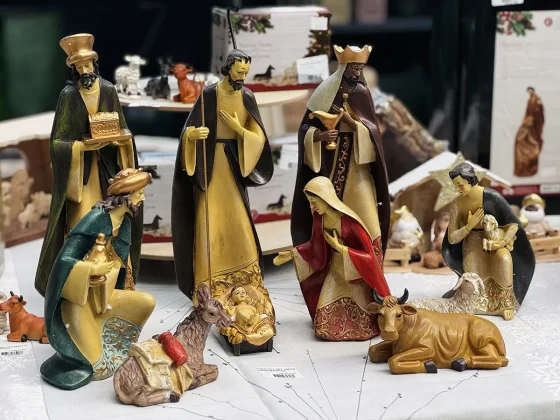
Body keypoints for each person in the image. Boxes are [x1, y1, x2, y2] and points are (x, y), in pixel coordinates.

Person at [171, 49, 275, 350]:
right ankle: (211, 280)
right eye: (239, 71)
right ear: (228, 69)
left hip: (234, 162)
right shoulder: (209, 94)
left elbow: (258, 136)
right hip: (211, 165)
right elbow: (188, 131)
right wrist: (193, 137)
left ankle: (246, 278)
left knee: (238, 220)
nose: (243, 77)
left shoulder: (247, 96)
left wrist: (240, 129)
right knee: (211, 219)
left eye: (246, 72)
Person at [35, 33, 140, 297]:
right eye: (79, 67)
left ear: (95, 64)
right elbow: (57, 141)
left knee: (113, 223)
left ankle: (115, 280)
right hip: (80, 177)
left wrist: (120, 141)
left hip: (108, 173)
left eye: (88, 65)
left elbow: (124, 128)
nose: (85, 71)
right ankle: (77, 284)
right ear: (73, 69)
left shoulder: (109, 90)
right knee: (82, 222)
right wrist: (81, 147)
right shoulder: (68, 96)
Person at [40, 168, 155, 390]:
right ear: (125, 196)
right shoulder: (96, 218)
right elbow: (64, 261)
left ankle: (115, 345)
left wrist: (108, 272)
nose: (142, 198)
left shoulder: (124, 223)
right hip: (79, 301)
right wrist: (90, 271)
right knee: (96, 365)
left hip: (105, 295)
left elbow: (119, 265)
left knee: (146, 302)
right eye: (139, 193)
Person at [291, 45, 390, 264]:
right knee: (330, 214)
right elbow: (305, 127)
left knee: (365, 212)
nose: (357, 72)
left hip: (357, 163)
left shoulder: (362, 92)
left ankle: (368, 263)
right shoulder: (326, 89)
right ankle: (331, 264)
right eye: (354, 68)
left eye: (360, 68)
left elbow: (372, 131)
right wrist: (319, 136)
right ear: (344, 66)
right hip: (329, 163)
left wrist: (349, 121)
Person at [275, 176, 390, 341]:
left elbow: (369, 257)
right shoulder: (319, 218)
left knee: (362, 318)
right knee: (323, 325)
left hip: (353, 273)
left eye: (314, 202)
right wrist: (293, 254)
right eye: (310, 202)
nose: (312, 206)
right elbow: (315, 245)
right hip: (335, 271)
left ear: (325, 197)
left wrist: (340, 247)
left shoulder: (350, 222)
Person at [442, 162, 535, 320]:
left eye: (460, 185)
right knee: (472, 274)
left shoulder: (491, 197)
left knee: (503, 259)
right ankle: (475, 302)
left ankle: (504, 303)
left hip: (495, 239)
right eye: (455, 185)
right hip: (471, 243)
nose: (458, 189)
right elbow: (452, 238)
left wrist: (501, 243)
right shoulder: (457, 204)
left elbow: (513, 225)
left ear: (470, 180)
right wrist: (469, 226)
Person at [514, 87, 544, 177]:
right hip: (528, 122)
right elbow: (528, 113)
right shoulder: (530, 99)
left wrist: (533, 119)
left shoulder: (537, 99)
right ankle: (522, 168)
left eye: (530, 90)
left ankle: (529, 166)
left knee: (528, 142)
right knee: (519, 141)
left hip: (533, 124)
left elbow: (538, 112)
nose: (529, 92)